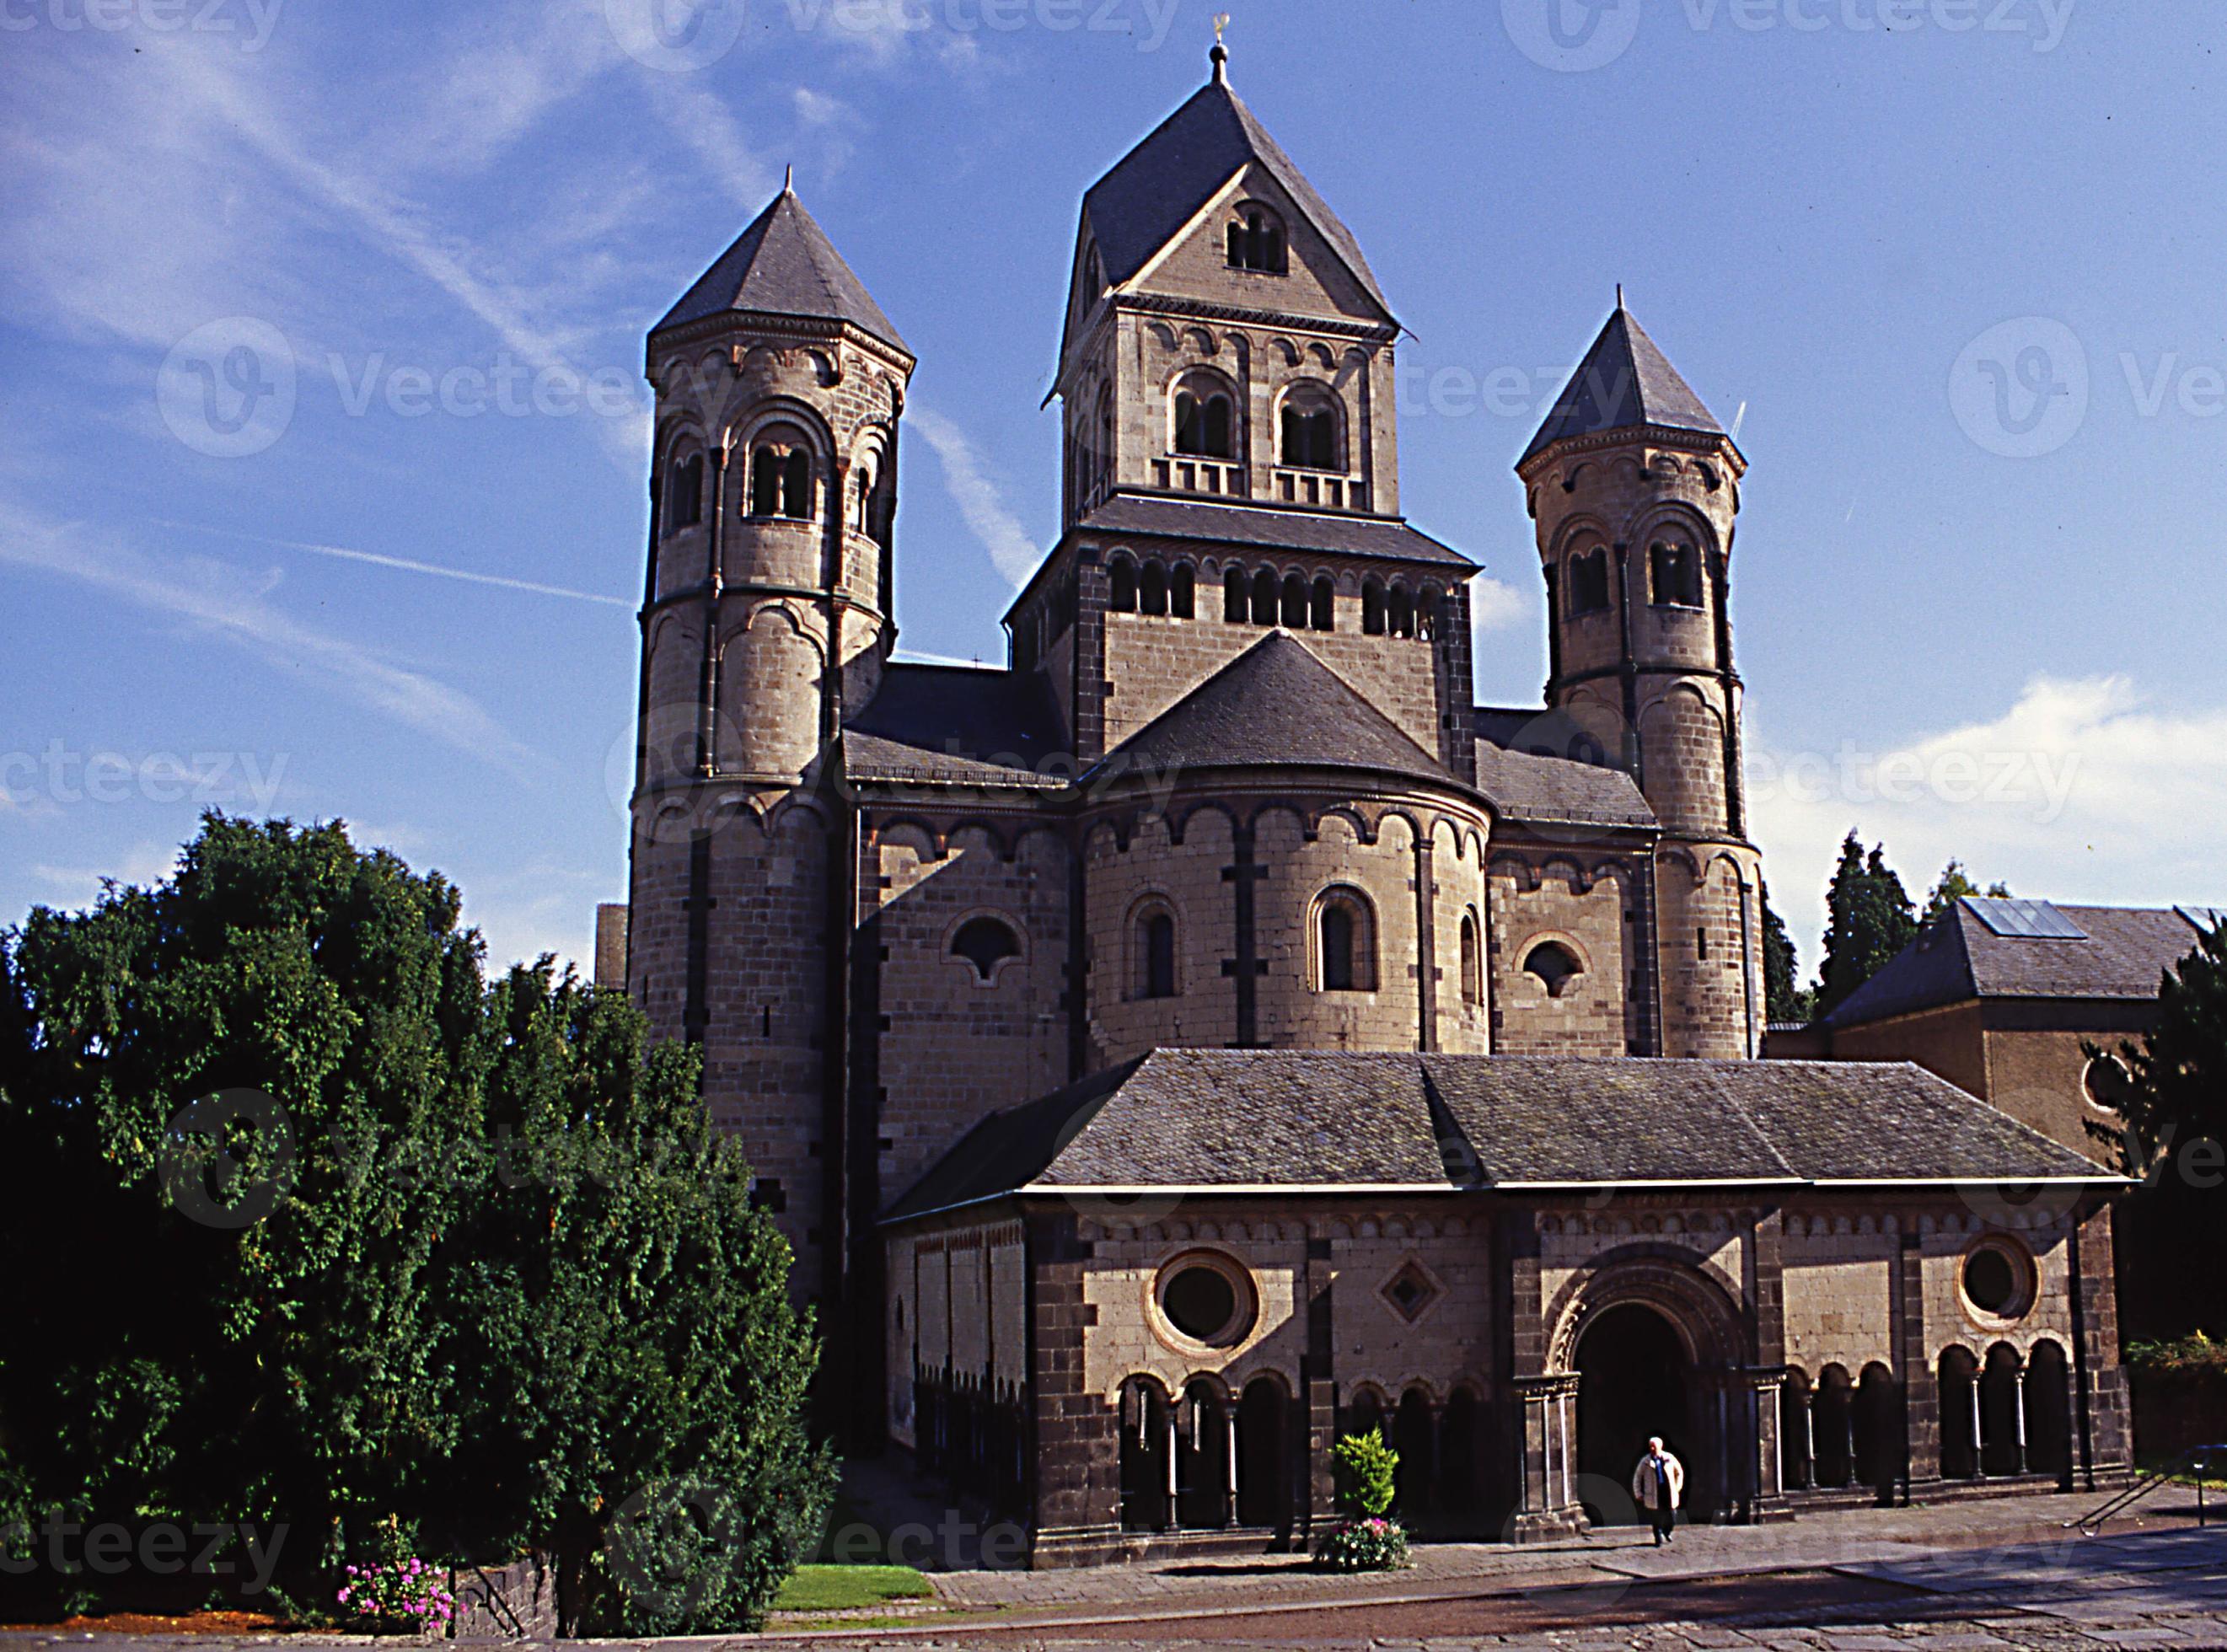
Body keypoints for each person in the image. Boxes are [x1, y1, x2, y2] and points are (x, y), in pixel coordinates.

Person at [1631, 1436, 1684, 1546]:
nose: (1652, 1448)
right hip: (1653, 1493)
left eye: (1654, 1446)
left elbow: (1679, 1472)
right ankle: (1658, 1537)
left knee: (1672, 1515)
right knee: (1656, 1517)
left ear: (1660, 1446)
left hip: (1668, 1491)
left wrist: (1677, 1487)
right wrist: (1638, 1493)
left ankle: (1667, 1531)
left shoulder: (1669, 1458)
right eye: (1650, 1446)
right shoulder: (1646, 1461)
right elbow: (1637, 1477)